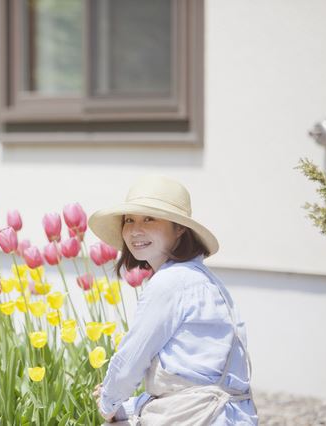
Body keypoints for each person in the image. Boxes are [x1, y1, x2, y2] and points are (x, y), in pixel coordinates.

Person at [87, 175, 258, 425]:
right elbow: (193, 380)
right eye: (129, 220)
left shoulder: (170, 283)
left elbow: (129, 361)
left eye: (149, 218)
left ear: (180, 228)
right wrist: (122, 405)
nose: (135, 230)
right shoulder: (205, 280)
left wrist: (108, 404)